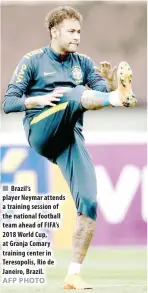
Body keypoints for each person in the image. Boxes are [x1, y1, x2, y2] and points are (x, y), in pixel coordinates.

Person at [3, 6, 136, 290]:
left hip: (69, 136)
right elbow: (8, 102)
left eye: (79, 32)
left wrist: (110, 86)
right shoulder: (33, 61)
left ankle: (73, 273)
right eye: (72, 31)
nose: (77, 37)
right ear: (55, 31)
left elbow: (95, 92)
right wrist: (40, 100)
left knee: (88, 202)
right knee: (71, 94)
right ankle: (116, 97)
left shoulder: (84, 62)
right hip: (41, 128)